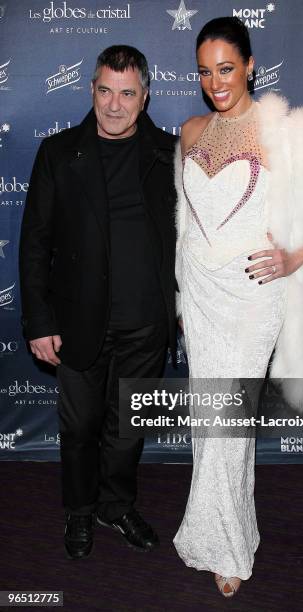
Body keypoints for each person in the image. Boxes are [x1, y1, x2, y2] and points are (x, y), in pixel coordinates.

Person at [173, 17, 303, 597]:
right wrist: (182, 293)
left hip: (252, 299)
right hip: (201, 298)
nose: (216, 82)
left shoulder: (283, 130)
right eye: (206, 72)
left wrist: (291, 258)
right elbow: (185, 220)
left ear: (251, 65)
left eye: (226, 69)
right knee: (211, 424)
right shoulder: (190, 130)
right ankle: (223, 530)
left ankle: (227, 546)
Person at [19, 45, 177, 560]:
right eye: (105, 90)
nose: (114, 104)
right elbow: (35, 244)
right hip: (78, 323)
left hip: (147, 325)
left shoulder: (170, 154)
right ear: (91, 90)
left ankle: (116, 505)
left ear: (145, 96)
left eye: (126, 93)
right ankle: (80, 511)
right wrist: (39, 321)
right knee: (80, 428)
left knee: (129, 428)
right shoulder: (58, 153)